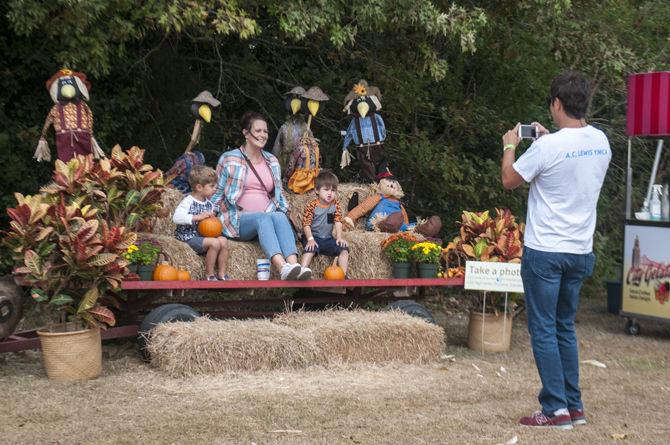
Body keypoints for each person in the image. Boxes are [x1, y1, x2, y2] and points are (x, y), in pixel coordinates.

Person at [500, 71, 611, 429]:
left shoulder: (547, 147)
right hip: (580, 250)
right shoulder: (602, 142)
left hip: (546, 250)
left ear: (557, 104)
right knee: (564, 326)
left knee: (544, 329)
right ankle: (573, 406)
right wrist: (551, 140)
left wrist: (509, 146)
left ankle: (554, 409)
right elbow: (571, 160)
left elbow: (509, 180)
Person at [212, 112, 307, 280]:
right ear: (246, 133)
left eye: (265, 131)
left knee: (277, 215)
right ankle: (281, 267)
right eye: (258, 131)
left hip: (267, 219)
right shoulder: (228, 159)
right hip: (236, 220)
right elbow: (217, 193)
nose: (263, 135)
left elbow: (278, 194)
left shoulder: (272, 161)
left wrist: (287, 215)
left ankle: (294, 265)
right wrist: (207, 216)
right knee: (263, 218)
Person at [172, 165, 230, 281]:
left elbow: (212, 225)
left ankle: (222, 274)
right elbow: (176, 218)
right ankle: (209, 275)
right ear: (199, 187)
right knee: (214, 243)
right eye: (212, 186)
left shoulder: (209, 204)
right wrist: (197, 217)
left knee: (223, 241)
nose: (215, 189)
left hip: (203, 236)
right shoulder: (188, 201)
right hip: (188, 237)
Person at [300, 170, 350, 278]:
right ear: (317, 190)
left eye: (333, 190)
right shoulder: (312, 206)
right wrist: (310, 239)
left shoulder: (335, 204)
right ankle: (302, 270)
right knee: (310, 249)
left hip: (327, 239)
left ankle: (343, 274)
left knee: (344, 249)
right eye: (326, 190)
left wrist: (339, 237)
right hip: (313, 237)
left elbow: (337, 221)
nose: (330, 193)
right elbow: (306, 224)